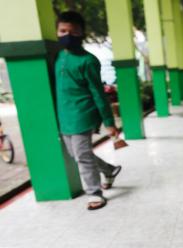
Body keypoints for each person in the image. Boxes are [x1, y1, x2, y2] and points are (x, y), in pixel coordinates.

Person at [55, 11, 121, 210]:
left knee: (82, 155)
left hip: (83, 114)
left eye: (73, 32)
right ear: (57, 32)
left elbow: (99, 93)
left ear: (82, 33)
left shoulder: (88, 61)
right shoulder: (59, 57)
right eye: (63, 31)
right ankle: (109, 170)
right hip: (64, 115)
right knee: (76, 155)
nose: (68, 35)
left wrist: (109, 123)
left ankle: (94, 193)